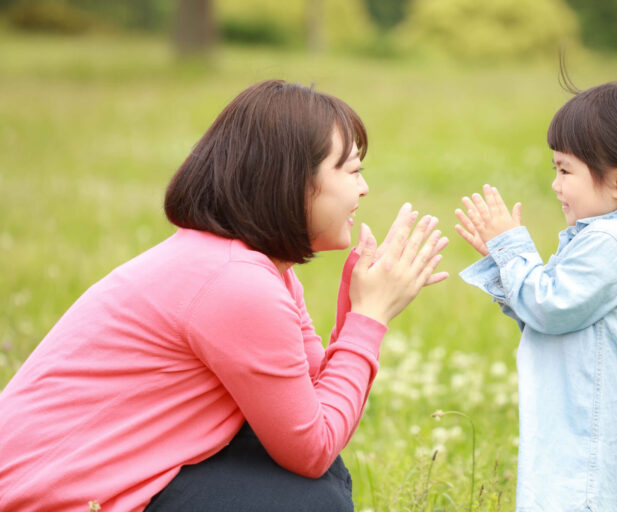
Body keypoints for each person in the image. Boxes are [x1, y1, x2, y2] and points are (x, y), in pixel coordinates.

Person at [0, 80, 449, 511]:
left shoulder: (256, 269)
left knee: (309, 487)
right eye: (352, 171)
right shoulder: (236, 283)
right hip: (42, 498)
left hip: (71, 484)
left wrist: (355, 310)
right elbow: (312, 447)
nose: (363, 188)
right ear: (292, 180)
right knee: (307, 501)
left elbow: (308, 407)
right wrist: (370, 318)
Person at [454, 80, 617, 511]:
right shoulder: (604, 237)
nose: (555, 184)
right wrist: (503, 262)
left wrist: (512, 249)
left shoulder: (610, 242)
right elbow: (551, 316)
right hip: (588, 439)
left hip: (595, 458)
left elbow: (548, 306)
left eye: (565, 171)